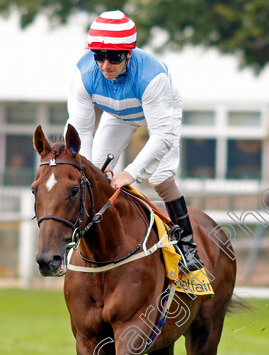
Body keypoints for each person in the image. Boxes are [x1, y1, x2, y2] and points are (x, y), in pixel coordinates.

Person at [66, 10, 203, 272]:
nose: (106, 65)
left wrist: (130, 174)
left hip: (160, 114)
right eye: (99, 56)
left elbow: (162, 136)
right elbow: (81, 130)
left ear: (129, 53)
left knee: (160, 179)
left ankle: (188, 248)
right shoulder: (82, 74)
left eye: (114, 57)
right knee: (93, 172)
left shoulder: (152, 78)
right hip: (118, 115)